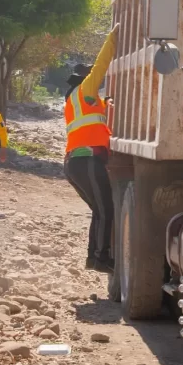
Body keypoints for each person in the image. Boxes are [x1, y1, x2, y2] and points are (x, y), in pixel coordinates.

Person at [64, 23, 119, 273]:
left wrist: (107, 105)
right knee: (106, 209)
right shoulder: (86, 90)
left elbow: (95, 116)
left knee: (100, 210)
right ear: (83, 79)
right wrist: (112, 39)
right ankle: (101, 258)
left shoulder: (81, 99)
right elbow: (100, 67)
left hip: (76, 162)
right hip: (87, 159)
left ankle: (93, 257)